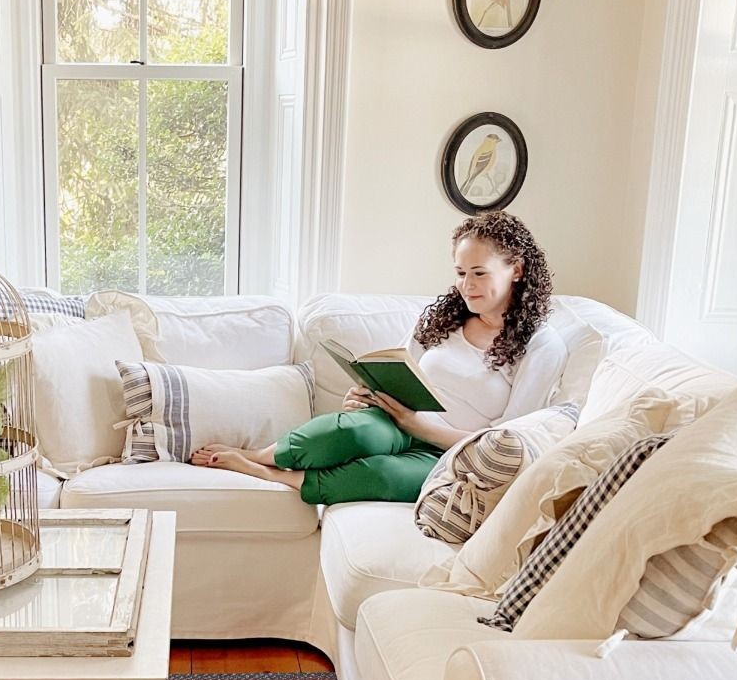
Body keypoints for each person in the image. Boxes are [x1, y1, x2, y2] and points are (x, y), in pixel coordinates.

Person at [190, 209, 568, 505]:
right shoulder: (444, 321)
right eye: (460, 272)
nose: (466, 285)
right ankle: (259, 456)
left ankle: (271, 475)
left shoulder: (541, 346)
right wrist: (367, 391)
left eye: (479, 273)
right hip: (395, 422)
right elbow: (399, 364)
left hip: (451, 452)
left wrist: (420, 428)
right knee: (347, 430)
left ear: (516, 269)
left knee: (383, 476)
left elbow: (506, 440)